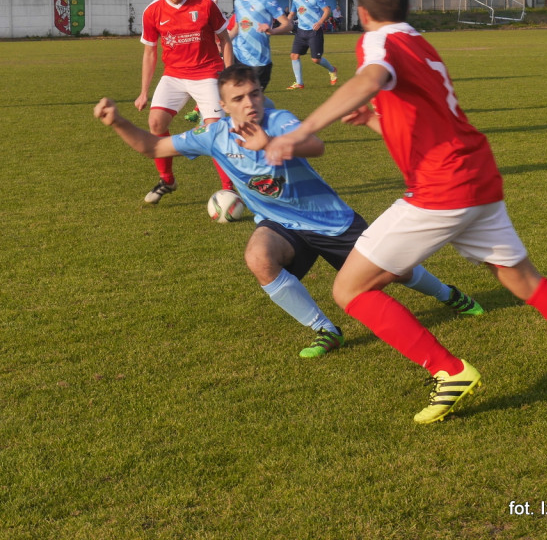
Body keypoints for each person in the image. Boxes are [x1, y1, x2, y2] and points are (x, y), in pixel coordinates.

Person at [265, 0, 547, 424]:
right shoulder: (419, 44)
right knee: (526, 281)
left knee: (349, 289)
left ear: (361, 13)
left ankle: (450, 371)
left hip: (441, 189)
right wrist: (373, 121)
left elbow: (370, 78)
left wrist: (300, 131)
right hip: (478, 179)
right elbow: (423, 124)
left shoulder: (379, 42)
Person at [94, 65, 485, 358]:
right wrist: (119, 122)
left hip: (331, 222)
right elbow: (152, 147)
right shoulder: (213, 136)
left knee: (397, 272)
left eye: (255, 94)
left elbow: (316, 146)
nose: (250, 103)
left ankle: (450, 295)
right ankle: (325, 330)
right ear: (222, 106)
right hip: (281, 224)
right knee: (258, 258)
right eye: (239, 98)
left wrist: (270, 143)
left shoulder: (279, 120)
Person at [136, 0, 235, 204]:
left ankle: (229, 190)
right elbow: (150, 52)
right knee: (156, 123)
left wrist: (229, 78)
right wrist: (144, 92)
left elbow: (225, 40)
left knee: (216, 132)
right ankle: (167, 180)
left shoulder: (205, 4)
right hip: (174, 75)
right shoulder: (153, 11)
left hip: (207, 73)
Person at [229, 0, 291, 91]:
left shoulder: (266, 0)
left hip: (259, 61)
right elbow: (237, 27)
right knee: (237, 96)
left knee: (254, 98)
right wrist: (224, 40)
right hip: (238, 57)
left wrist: (272, 31)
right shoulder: (238, 2)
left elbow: (288, 25)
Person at [288, 0, 338, 89]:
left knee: (316, 59)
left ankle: (332, 70)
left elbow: (327, 10)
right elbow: (292, 13)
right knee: (294, 55)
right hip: (300, 32)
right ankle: (299, 83)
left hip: (314, 32)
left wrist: (320, 22)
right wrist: (286, 22)